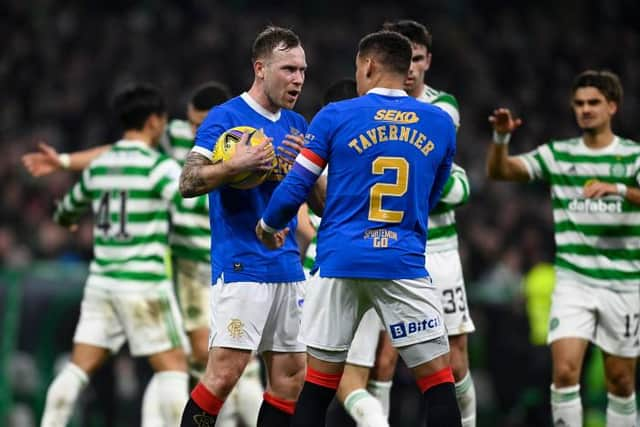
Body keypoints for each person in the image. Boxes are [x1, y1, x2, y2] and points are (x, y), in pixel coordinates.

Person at [22, 82, 266, 427]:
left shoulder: (254, 141)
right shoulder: (164, 160)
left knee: (221, 363)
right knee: (191, 364)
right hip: (177, 273)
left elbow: (73, 204)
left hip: (216, 264)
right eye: (191, 124)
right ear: (160, 121)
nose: (196, 131)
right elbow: (179, 196)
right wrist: (63, 160)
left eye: (203, 124)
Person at [256, 30, 461, 427]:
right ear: (406, 71)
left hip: (339, 263)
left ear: (367, 65)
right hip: (401, 262)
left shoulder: (335, 115)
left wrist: (268, 225)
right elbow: (432, 194)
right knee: (438, 384)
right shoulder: (439, 123)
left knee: (317, 388)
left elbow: (297, 185)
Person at [319, 20, 476, 427]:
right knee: (386, 358)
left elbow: (457, 183)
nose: (411, 70)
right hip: (393, 249)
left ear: (425, 62)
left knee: (453, 360)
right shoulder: (381, 115)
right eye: (406, 59)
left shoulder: (440, 109)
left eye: (418, 59)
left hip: (435, 250)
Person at [178, 26, 320, 427]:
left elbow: (320, 201)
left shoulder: (296, 122)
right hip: (242, 265)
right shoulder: (226, 117)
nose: (298, 79)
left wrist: (305, 173)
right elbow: (188, 182)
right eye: (289, 69)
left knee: (291, 379)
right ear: (261, 68)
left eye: (303, 71)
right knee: (224, 375)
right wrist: (233, 166)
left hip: (289, 268)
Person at [486, 70, 640, 426]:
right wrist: (500, 138)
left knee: (620, 381)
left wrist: (617, 190)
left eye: (594, 103)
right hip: (573, 282)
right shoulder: (558, 154)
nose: (585, 110)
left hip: (623, 282)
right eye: (579, 104)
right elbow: (500, 171)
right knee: (565, 373)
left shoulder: (632, 157)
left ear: (612, 107)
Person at [40, 83, 190, 427]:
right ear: (153, 121)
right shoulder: (157, 167)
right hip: (145, 285)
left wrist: (70, 220)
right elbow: (189, 203)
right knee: (173, 369)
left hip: (102, 283)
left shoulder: (98, 166)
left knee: (78, 369)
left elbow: (66, 213)